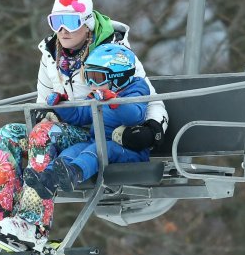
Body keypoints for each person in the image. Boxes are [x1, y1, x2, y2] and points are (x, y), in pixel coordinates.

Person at [0, 0, 168, 250]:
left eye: (71, 22)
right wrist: (49, 111)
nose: (63, 31)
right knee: (10, 133)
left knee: (44, 134)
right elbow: (42, 102)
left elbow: (147, 96)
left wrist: (153, 129)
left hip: (94, 131)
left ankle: (33, 225)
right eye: (57, 23)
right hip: (69, 124)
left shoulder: (114, 54)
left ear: (87, 23)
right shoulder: (50, 54)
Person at [23, 44, 151, 198]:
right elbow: (80, 116)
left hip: (129, 149)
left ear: (118, 77)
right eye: (88, 77)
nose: (91, 84)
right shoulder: (96, 94)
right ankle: (47, 179)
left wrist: (115, 101)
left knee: (98, 150)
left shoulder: (136, 89)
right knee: (73, 150)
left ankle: (75, 173)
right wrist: (63, 105)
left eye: (97, 78)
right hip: (97, 141)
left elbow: (134, 115)